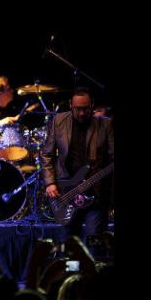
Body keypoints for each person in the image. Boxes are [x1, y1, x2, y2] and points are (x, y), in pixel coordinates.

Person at [43, 87, 114, 239]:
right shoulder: (59, 121)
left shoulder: (105, 125)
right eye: (77, 109)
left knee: (93, 239)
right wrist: (50, 182)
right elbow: (46, 154)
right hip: (66, 191)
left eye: (85, 109)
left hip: (95, 192)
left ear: (92, 105)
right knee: (68, 242)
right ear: (70, 105)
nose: (81, 113)